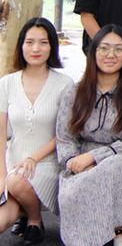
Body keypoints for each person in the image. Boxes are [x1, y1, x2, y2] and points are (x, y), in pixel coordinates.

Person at [56, 25, 122, 246]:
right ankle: (94, 236)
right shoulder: (74, 92)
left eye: (119, 49)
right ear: (93, 52)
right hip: (81, 160)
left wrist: (94, 158)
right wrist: (72, 161)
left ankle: (115, 226)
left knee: (109, 169)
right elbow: (65, 137)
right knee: (75, 189)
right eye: (104, 48)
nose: (111, 55)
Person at [0, 18, 73, 245]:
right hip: (13, 165)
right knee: (2, 218)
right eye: (29, 42)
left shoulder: (65, 84)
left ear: (52, 46)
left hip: (46, 164)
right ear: (21, 45)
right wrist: (1, 176)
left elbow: (65, 134)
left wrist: (33, 158)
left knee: (17, 181)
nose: (36, 49)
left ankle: (34, 219)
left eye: (43, 42)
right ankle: (21, 210)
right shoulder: (6, 83)